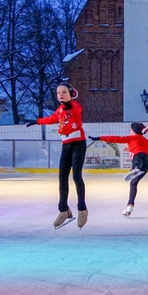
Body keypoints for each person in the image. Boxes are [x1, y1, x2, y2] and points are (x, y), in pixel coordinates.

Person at [28, 85, 88, 228]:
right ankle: (63, 210)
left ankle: (82, 209)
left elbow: (77, 111)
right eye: (58, 93)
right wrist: (37, 121)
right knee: (62, 176)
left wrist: (69, 104)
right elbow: (51, 119)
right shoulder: (60, 109)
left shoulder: (74, 105)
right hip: (66, 144)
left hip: (78, 143)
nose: (61, 95)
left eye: (64, 92)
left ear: (71, 94)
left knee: (76, 176)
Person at [91, 122, 148, 216]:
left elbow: (116, 138)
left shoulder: (131, 138)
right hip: (147, 163)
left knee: (136, 159)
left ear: (134, 131)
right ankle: (129, 206)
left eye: (131, 130)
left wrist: (100, 138)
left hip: (139, 158)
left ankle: (134, 169)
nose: (130, 131)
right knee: (133, 183)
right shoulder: (146, 141)